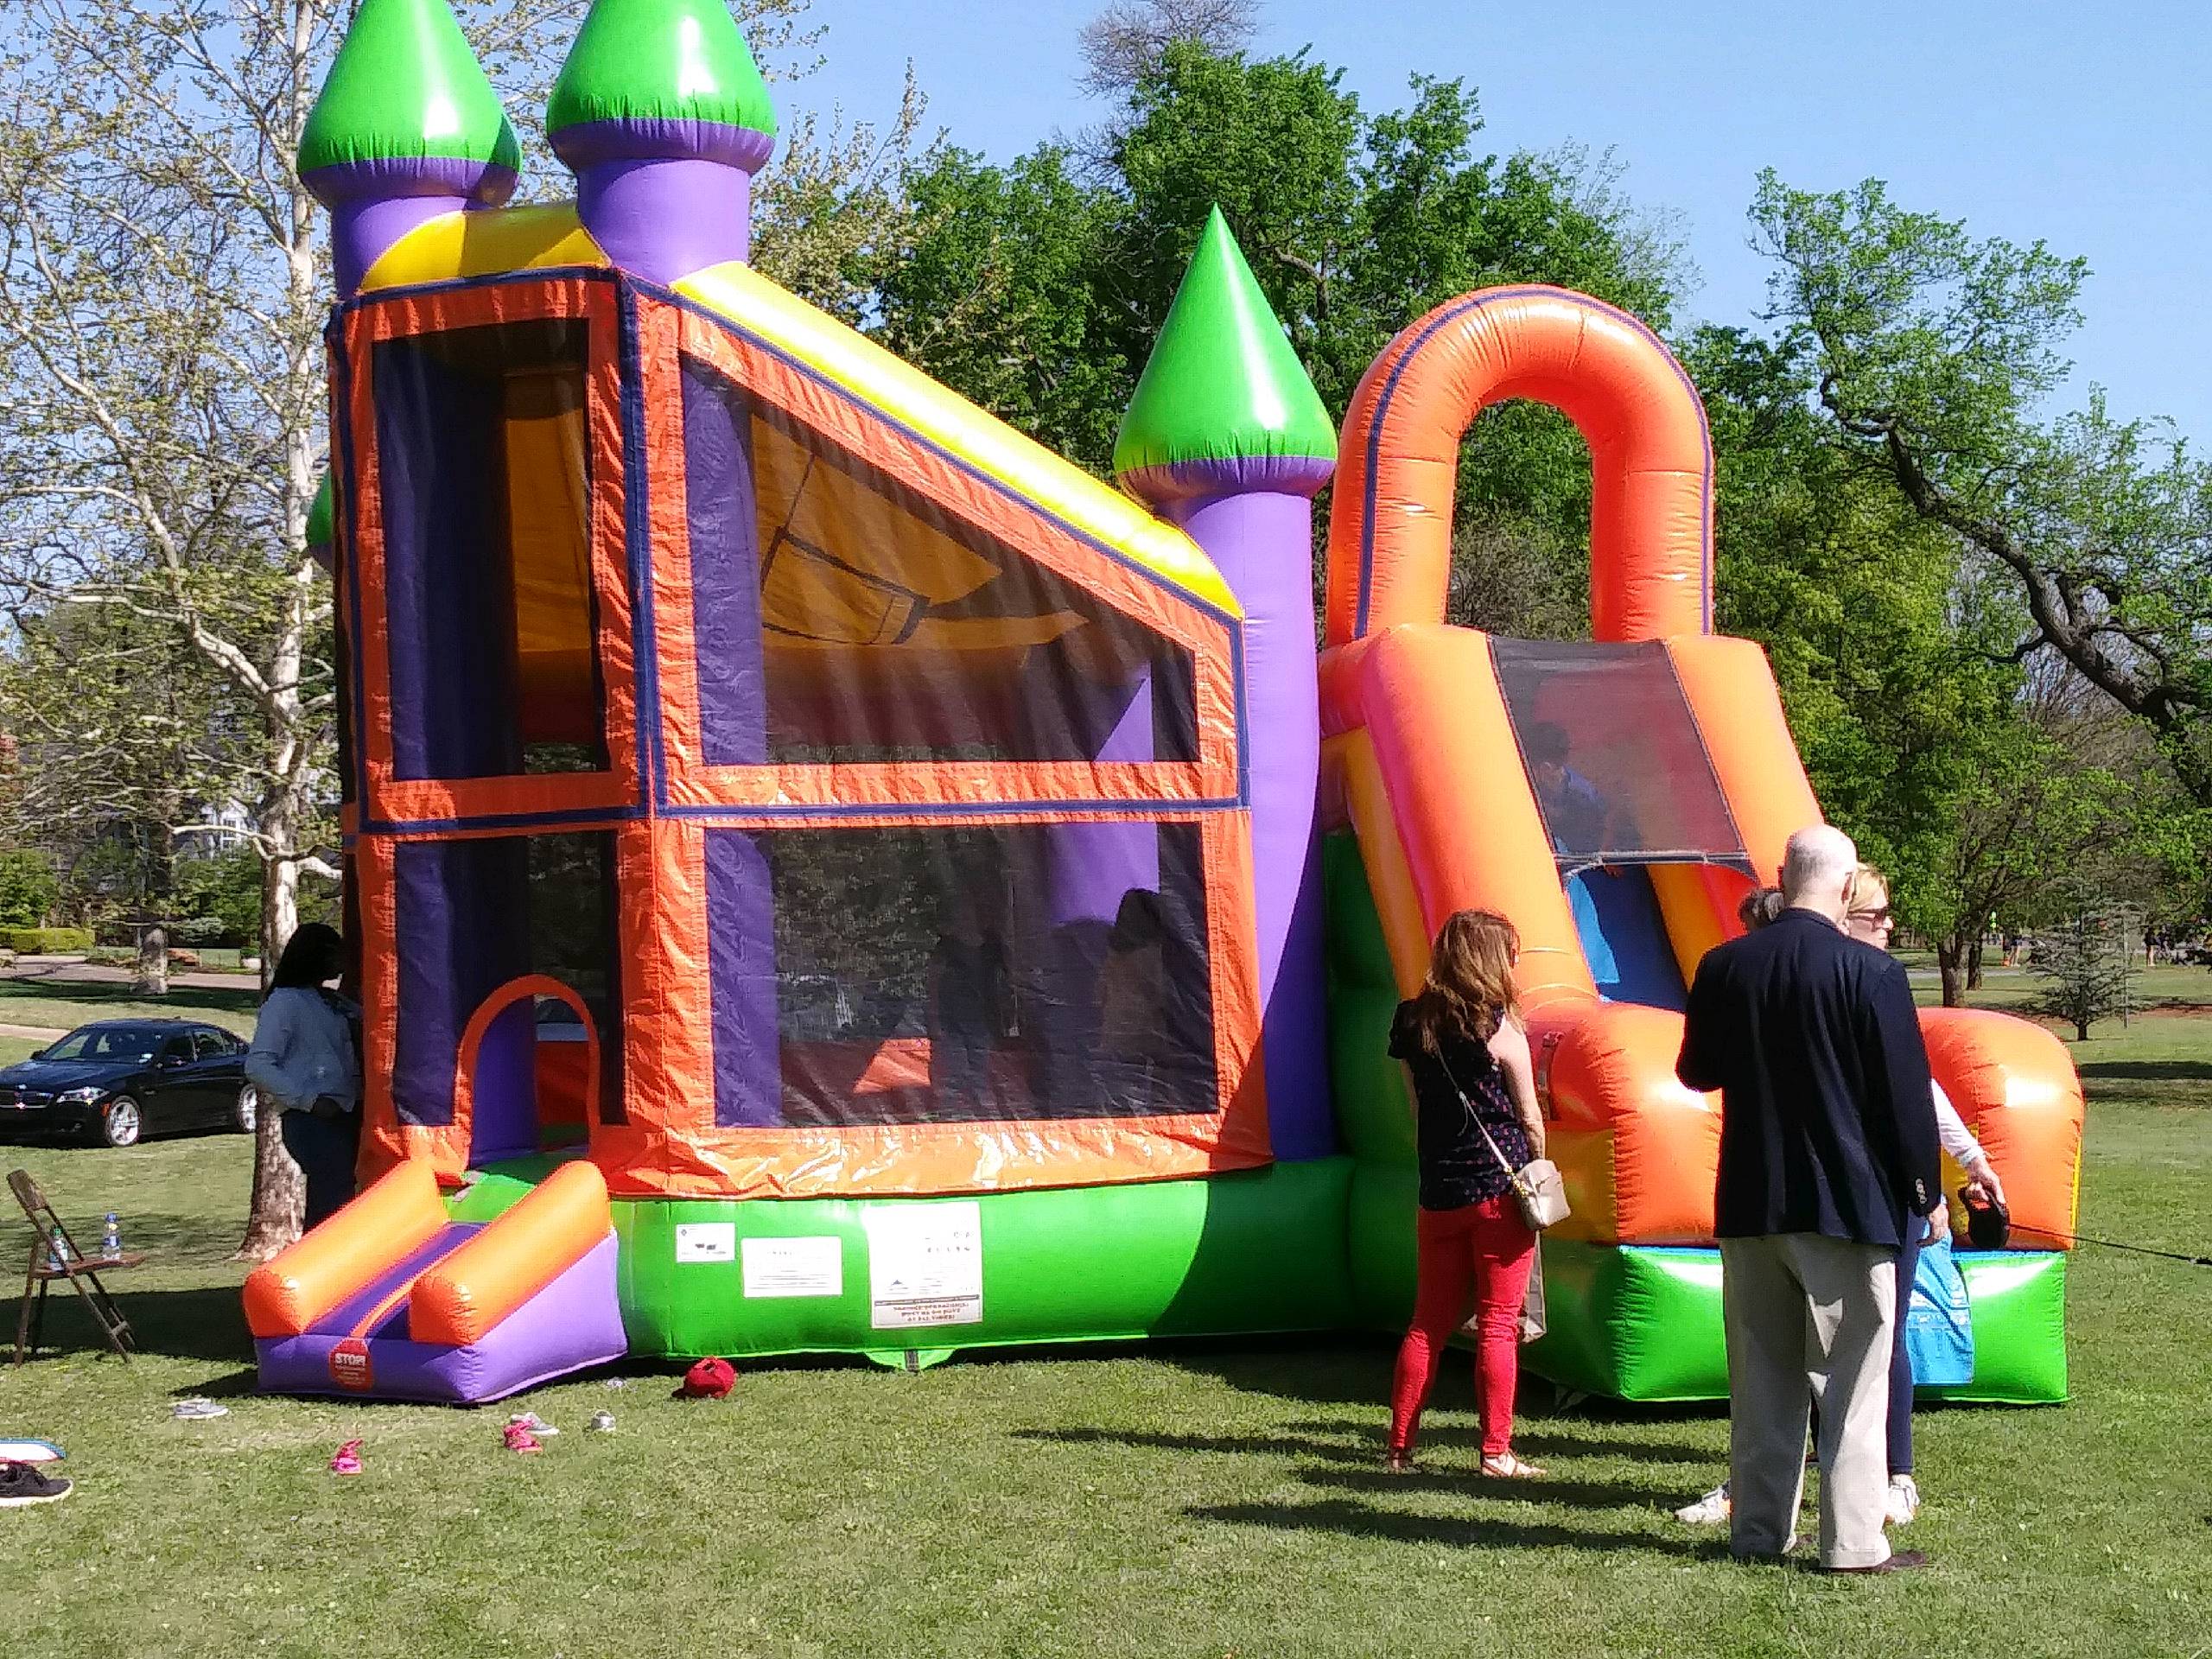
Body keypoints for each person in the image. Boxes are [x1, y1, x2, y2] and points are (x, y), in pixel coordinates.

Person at [1680, 868, 2004, 1531]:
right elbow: (1909, 1098)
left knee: (1773, 1379)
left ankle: (1773, 1526)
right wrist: (1926, 1188)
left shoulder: (1727, 966)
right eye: (1878, 913)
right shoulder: (1867, 976)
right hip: (1850, 1209)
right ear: (1842, 905)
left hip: (1756, 1203)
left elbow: (1696, 1070)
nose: (1887, 925)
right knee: (1851, 1378)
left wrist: (1951, 1172)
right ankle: (1852, 1538)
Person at [1382, 910, 1549, 1480]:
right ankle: (1496, 1452)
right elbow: (1529, 1116)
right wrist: (1540, 1165)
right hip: (1500, 1192)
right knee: (1499, 1321)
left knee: (1428, 1321)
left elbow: (1415, 1107)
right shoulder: (1500, 1027)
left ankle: (1400, 1449)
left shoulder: (1411, 1022)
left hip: (1440, 1188)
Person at [245, 922, 362, 1230]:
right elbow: (258, 1065)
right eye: (336, 954)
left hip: (346, 1114)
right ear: (315, 956)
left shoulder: (331, 1000)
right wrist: (309, 1100)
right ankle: (320, 1270)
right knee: (330, 1203)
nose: (342, 963)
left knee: (344, 1201)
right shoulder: (285, 1002)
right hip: (313, 1120)